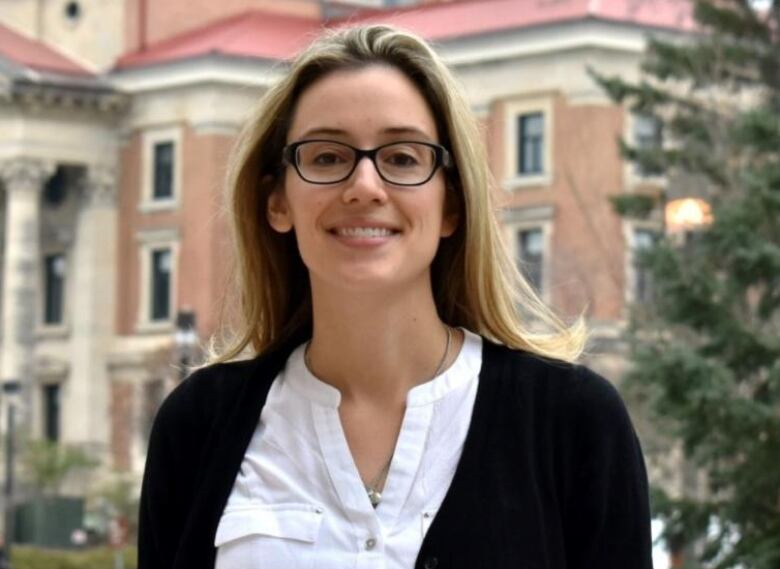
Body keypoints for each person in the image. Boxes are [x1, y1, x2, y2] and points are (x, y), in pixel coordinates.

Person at [138, 25, 653, 569]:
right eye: (327, 157)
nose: (364, 185)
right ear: (277, 202)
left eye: (403, 158)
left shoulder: (573, 422)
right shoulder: (197, 427)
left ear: (451, 204)